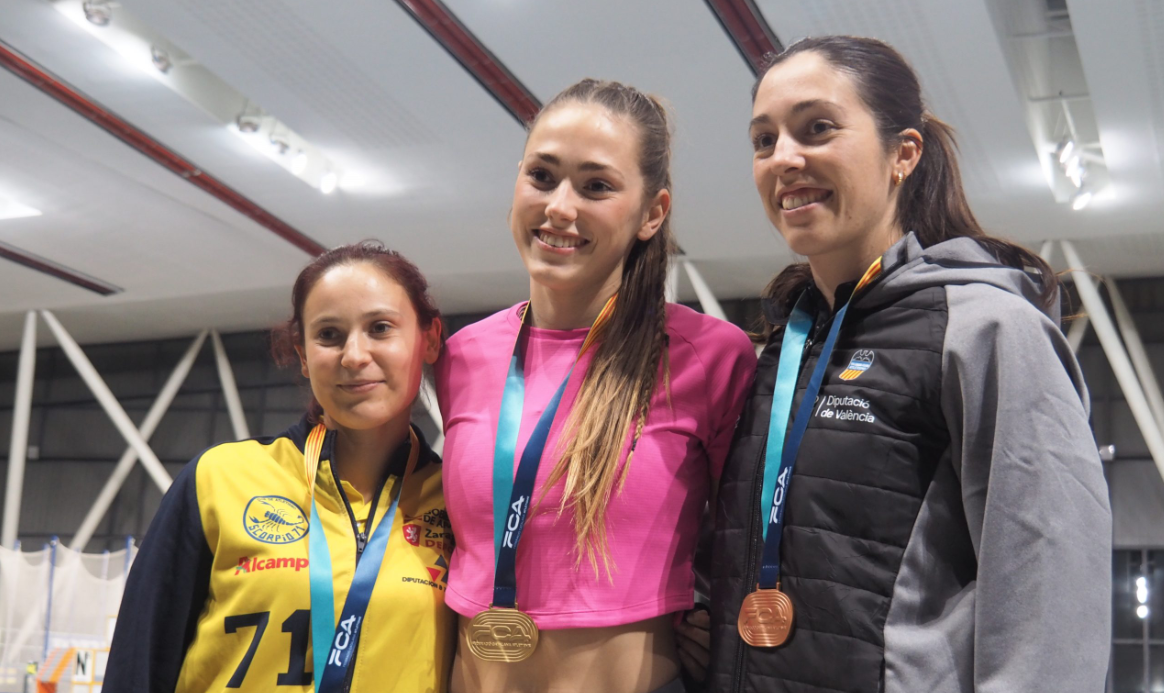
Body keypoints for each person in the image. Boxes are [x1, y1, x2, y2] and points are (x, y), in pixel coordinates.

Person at [701, 36, 1112, 693]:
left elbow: (1052, 597)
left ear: (904, 153)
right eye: (763, 139)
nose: (785, 157)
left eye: (817, 129)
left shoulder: (988, 330)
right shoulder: (781, 350)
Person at [436, 79, 757, 693]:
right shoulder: (463, 356)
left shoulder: (708, 357)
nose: (560, 206)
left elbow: (752, 538)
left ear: (652, 213)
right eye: (542, 175)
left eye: (597, 186)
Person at [104, 242, 455, 692]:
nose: (353, 355)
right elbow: (138, 665)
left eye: (380, 328)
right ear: (304, 355)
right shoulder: (220, 478)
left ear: (429, 339)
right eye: (328, 334)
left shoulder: (459, 501)